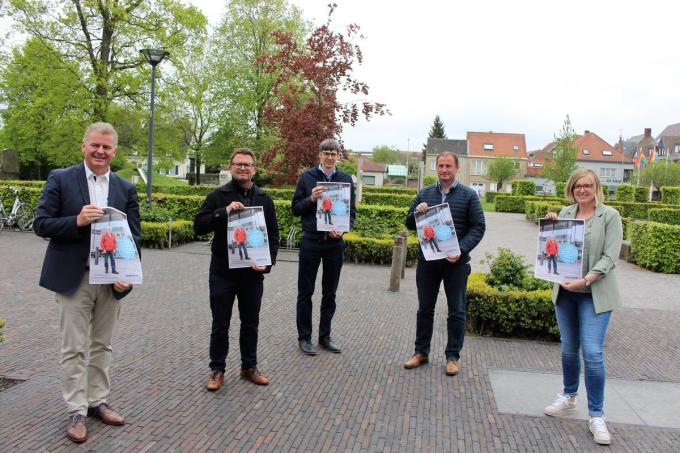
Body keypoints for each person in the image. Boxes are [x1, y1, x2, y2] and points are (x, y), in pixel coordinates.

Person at [33, 122, 141, 443]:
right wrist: (77, 221)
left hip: (110, 279)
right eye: (95, 145)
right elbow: (41, 223)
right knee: (74, 347)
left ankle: (98, 401)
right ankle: (76, 409)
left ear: (114, 152)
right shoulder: (61, 179)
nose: (100, 151)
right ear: (84, 146)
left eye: (107, 147)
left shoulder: (125, 188)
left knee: (102, 344)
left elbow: (133, 237)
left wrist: (127, 275)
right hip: (73, 277)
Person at [543, 168, 622, 446]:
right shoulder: (564, 214)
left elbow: (610, 256)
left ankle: (597, 415)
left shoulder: (610, 216)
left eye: (588, 185)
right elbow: (553, 245)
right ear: (572, 188)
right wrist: (550, 226)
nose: (583, 190)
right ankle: (568, 395)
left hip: (594, 294)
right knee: (567, 348)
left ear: (596, 187)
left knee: (592, 353)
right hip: (566, 294)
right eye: (578, 185)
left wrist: (586, 280)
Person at [194, 148, 279, 390]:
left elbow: (273, 234)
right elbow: (198, 226)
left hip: (253, 274)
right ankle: (217, 369)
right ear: (231, 167)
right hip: (223, 272)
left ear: (254, 169)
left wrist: (268, 263)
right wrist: (224, 212)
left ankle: (248, 367)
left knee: (250, 322)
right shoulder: (217, 195)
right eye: (238, 164)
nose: (242, 168)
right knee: (220, 323)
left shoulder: (264, 198)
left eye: (247, 164)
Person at [403, 152, 485, 376]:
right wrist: (416, 213)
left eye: (449, 166)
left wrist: (461, 250)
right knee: (425, 309)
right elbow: (409, 222)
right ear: (436, 169)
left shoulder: (469, 195)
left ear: (456, 168)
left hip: (455, 263)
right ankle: (421, 352)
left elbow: (478, 227)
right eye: (440, 166)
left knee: (456, 311)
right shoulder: (425, 193)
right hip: (428, 262)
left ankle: (452, 357)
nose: (444, 169)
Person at [292, 138, 356, 355]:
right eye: (326, 153)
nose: (329, 157)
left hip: (334, 244)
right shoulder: (307, 177)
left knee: (330, 293)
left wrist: (343, 229)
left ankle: (324, 336)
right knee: (305, 292)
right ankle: (304, 337)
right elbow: (295, 208)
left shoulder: (346, 179)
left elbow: (351, 213)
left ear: (338, 156)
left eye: (333, 153)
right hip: (311, 241)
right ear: (319, 155)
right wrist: (310, 199)